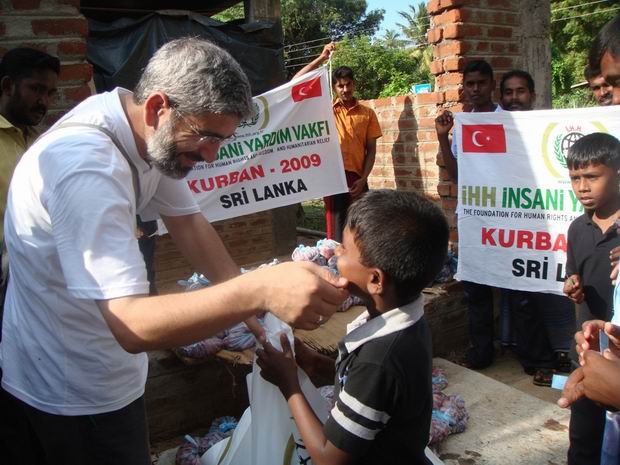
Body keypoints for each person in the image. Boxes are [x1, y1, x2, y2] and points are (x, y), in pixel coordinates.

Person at [0, 37, 348, 465]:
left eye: (222, 140)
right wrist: (260, 289)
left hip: (85, 364)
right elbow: (132, 326)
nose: (211, 155)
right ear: (157, 108)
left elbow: (191, 227)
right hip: (72, 389)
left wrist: (258, 323)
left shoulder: (145, 132)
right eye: (207, 137)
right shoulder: (88, 166)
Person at [257, 189, 448, 465]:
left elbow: (328, 458)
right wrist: (316, 364)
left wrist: (289, 384)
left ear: (375, 280)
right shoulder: (407, 318)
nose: (336, 251)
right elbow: (374, 392)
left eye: (344, 249)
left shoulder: (378, 362)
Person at [497, 70, 576, 384]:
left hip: (550, 228)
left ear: (533, 94)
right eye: (508, 92)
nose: (514, 98)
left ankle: (568, 356)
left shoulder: (550, 127)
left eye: (520, 91)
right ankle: (538, 361)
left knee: (558, 293)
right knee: (521, 297)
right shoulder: (494, 129)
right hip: (513, 229)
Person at [434, 59, 502, 369]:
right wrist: (442, 137)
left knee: (515, 287)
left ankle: (525, 351)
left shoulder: (507, 121)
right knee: (476, 286)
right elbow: (456, 174)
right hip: (474, 215)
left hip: (509, 215)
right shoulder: (463, 126)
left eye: (481, 83)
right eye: (470, 84)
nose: (475, 89)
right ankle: (482, 352)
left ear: (492, 85)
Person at [563, 132, 620, 465]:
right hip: (588, 350)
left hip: (619, 357)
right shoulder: (577, 229)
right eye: (575, 178)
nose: (582, 187)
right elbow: (573, 275)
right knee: (583, 437)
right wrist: (573, 287)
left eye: (592, 177)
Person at [293, 43, 382, 242]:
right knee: (336, 235)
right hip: (332, 179)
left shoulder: (367, 114)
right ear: (334, 88)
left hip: (357, 179)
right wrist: (321, 58)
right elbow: (295, 83)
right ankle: (335, 261)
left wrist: (363, 179)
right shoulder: (325, 109)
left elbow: (371, 150)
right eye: (340, 86)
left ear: (354, 84)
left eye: (348, 84)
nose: (345, 89)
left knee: (360, 230)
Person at [0, 48, 59, 288]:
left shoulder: (41, 143)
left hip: (35, 273)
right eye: (36, 89)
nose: (43, 101)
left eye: (50, 93)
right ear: (8, 86)